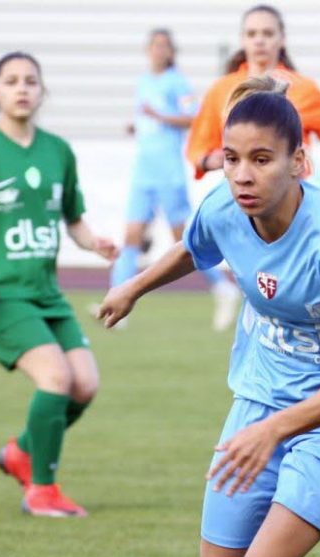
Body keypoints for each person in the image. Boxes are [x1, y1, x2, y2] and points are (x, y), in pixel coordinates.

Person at [98, 76, 320, 557]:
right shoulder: (225, 206)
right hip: (263, 397)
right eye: (232, 158)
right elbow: (193, 245)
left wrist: (273, 430)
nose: (243, 175)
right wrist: (133, 286)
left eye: (262, 159)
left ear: (300, 162)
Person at [0, 51, 117, 518]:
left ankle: (20, 454)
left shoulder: (58, 151)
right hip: (0, 295)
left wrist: (94, 243)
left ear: (42, 91)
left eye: (30, 80)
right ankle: (42, 491)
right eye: (11, 81)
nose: (22, 88)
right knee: (56, 377)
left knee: (85, 385)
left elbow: (72, 219)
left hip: (47, 295)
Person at [107, 28, 240, 331]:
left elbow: (193, 118)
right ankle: (115, 302)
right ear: (147, 49)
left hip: (169, 170)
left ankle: (222, 288)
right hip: (144, 169)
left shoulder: (177, 82)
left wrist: (160, 116)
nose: (159, 50)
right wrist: (137, 125)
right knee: (130, 236)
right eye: (154, 45)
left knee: (183, 240)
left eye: (164, 46)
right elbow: (147, 120)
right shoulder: (143, 81)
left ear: (171, 51)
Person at [186, 4, 320, 194]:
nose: (259, 41)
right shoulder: (221, 90)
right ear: (242, 40)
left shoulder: (303, 88)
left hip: (291, 198)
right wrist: (211, 160)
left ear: (282, 39)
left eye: (268, 33)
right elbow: (197, 148)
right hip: (239, 196)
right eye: (252, 34)